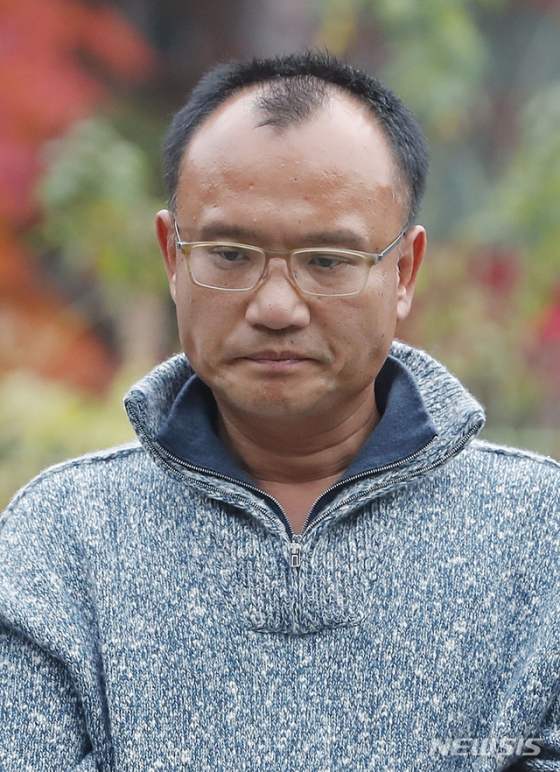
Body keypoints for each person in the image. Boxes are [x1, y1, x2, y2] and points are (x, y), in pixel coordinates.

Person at [1, 51, 559, 772]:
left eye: (327, 261)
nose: (275, 307)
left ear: (404, 272)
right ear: (172, 256)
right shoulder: (61, 543)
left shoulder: (541, 538)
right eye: (230, 254)